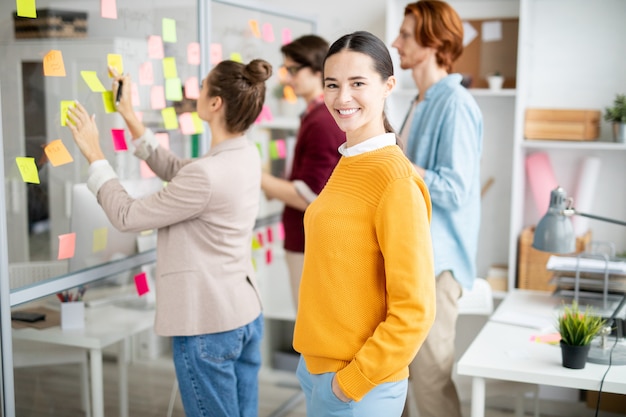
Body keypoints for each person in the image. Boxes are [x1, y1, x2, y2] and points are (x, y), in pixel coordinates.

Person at [66, 58, 272, 417]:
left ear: (215, 103)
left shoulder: (208, 174)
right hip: (243, 315)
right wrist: (130, 116)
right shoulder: (244, 155)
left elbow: (127, 216)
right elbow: (181, 172)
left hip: (209, 326)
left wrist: (95, 154)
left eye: (204, 85)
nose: (198, 91)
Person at [292, 31, 436, 417]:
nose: (342, 98)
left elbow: (416, 308)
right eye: (332, 85)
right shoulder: (350, 160)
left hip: (355, 388)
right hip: (320, 370)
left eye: (358, 83)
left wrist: (349, 383)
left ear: (388, 85)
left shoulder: (395, 179)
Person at [391, 2, 483, 417]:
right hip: (413, 262)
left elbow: (456, 189)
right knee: (404, 379)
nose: (396, 43)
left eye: (406, 35)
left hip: (438, 267)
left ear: (432, 41)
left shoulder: (456, 104)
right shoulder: (420, 101)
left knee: (429, 382)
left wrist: (402, 166)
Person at [261, 34, 345, 309]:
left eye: (294, 70)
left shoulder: (321, 120)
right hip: (308, 239)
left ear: (318, 70)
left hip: (311, 242)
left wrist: (256, 177)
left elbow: (309, 195)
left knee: (311, 326)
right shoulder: (315, 115)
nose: (288, 78)